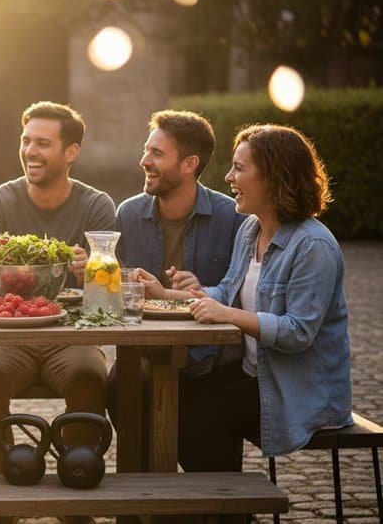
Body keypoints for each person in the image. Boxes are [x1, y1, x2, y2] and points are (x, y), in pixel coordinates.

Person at [137, 123, 352, 472]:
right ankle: (187, 507)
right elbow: (226, 292)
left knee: (202, 417)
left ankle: (224, 511)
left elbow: (298, 332)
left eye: (239, 168)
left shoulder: (313, 246)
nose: (227, 177)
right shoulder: (251, 229)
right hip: (255, 376)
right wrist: (167, 294)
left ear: (272, 176)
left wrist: (229, 315)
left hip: (296, 393)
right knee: (173, 397)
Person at [0, 101, 115, 471]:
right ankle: (2, 480)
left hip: (72, 335)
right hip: (7, 336)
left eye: (42, 143)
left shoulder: (96, 205)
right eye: (26, 140)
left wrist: (90, 274)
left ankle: (74, 476)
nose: (30, 151)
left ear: (71, 152)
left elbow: (106, 297)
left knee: (89, 377)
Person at [107, 111, 246, 449]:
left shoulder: (233, 218)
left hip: (211, 365)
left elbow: (242, 298)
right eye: (146, 150)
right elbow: (114, 295)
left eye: (157, 154)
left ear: (189, 164)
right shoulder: (127, 214)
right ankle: (144, 488)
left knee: (211, 476)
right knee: (118, 388)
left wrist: (195, 292)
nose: (144, 161)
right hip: (144, 356)